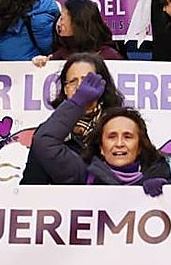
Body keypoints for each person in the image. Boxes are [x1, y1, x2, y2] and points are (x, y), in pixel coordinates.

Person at [30, 71, 170, 192]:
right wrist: (78, 101)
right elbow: (44, 141)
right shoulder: (83, 174)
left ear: (139, 147)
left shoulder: (159, 173)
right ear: (101, 147)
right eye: (111, 137)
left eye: (128, 136)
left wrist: (168, 193)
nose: (119, 143)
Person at [20, 53, 125, 185]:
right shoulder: (48, 131)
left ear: (103, 85)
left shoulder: (123, 126)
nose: (80, 87)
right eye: (73, 82)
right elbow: (31, 185)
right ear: (65, 89)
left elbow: (146, 166)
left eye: (87, 81)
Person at [34, 0, 124, 63]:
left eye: (62, 18)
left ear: (77, 22)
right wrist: (41, 64)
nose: (58, 23)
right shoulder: (60, 54)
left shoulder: (110, 57)